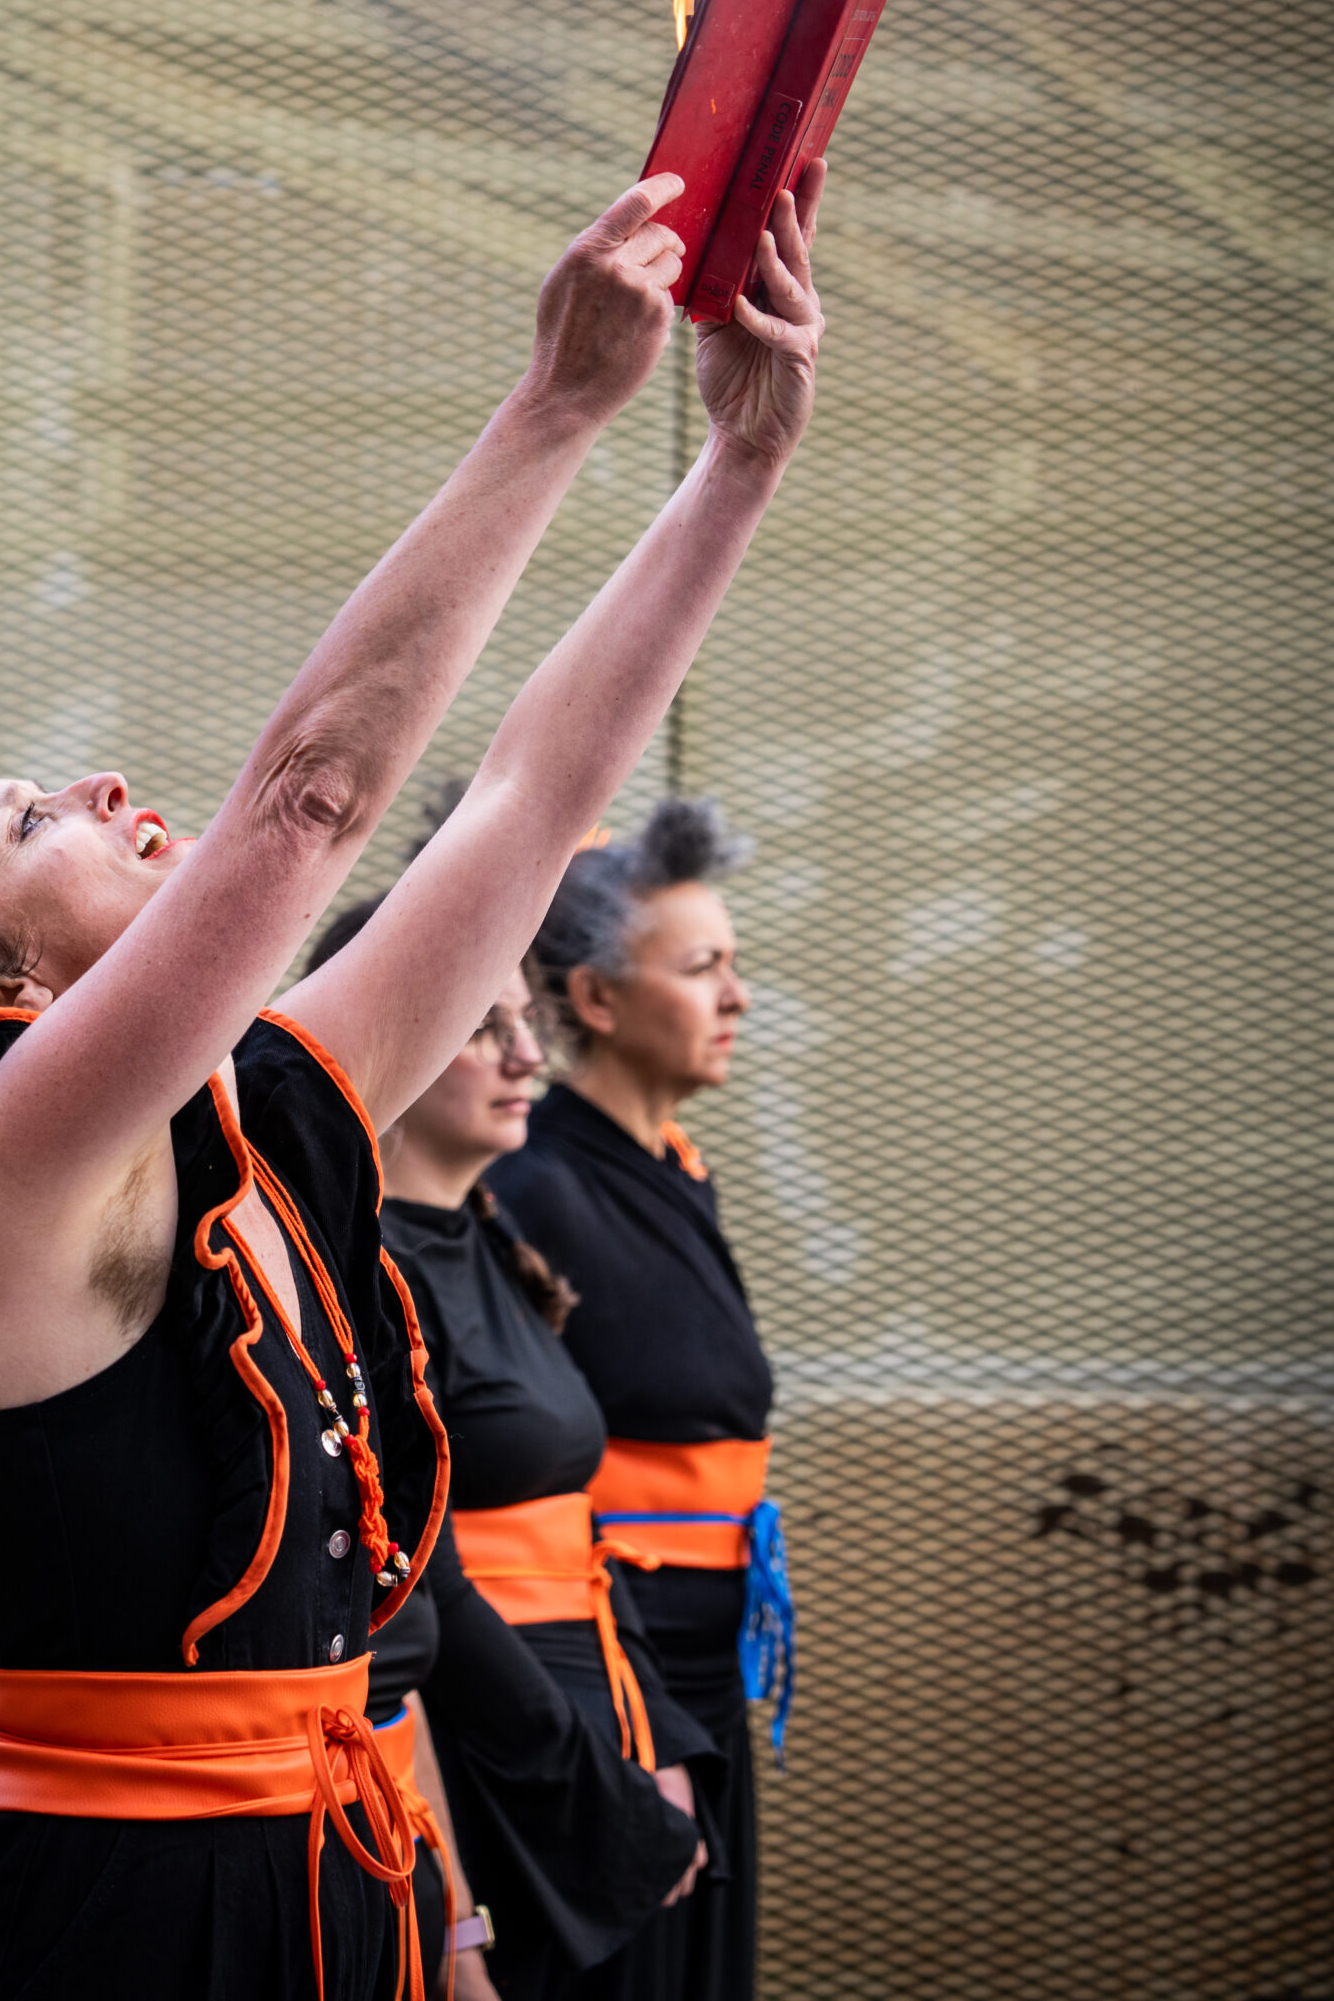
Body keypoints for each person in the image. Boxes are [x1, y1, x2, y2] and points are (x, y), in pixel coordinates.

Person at [0, 160, 825, 2001]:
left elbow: (528, 802)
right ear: (3, 991)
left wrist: (737, 463)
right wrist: (554, 405)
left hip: (324, 1894)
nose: (105, 789)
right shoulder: (18, 1162)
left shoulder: (263, 1121)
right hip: (101, 1932)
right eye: (31, 822)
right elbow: (310, 802)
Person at [307, 892, 711, 2000]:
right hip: (498, 1767)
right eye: (485, 1026)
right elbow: (418, 1596)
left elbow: (581, 1534)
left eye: (525, 1020)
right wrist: (582, 1808)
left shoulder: (490, 1234)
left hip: (594, 1728)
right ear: (387, 1035)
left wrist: (657, 1741)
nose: (529, 1054)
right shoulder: (365, 1273)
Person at [491, 799, 782, 2001]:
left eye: (733, 963)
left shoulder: (674, 1171)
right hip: (612, 1680)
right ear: (597, 999)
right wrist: (637, 1722)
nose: (737, 996)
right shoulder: (535, 1184)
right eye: (703, 966)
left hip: (705, 1664)